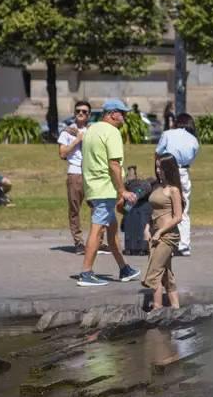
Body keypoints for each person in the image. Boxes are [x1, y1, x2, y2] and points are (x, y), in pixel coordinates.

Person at [76, 99, 141, 287]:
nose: (125, 116)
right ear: (113, 113)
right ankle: (86, 273)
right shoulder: (112, 132)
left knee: (111, 230)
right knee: (98, 229)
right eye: (123, 113)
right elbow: (114, 164)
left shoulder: (91, 130)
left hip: (94, 187)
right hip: (105, 188)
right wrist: (123, 191)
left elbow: (85, 161)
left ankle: (124, 268)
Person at [143, 154, 185, 310]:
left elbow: (178, 217)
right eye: (157, 167)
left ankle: (157, 307)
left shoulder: (174, 190)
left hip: (168, 236)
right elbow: (152, 212)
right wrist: (148, 228)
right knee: (166, 273)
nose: (158, 170)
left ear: (169, 168)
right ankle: (175, 306)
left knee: (154, 271)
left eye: (161, 167)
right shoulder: (157, 187)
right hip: (155, 234)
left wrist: (160, 231)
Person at [155, 113, 199, 256]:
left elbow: (158, 152)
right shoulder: (193, 139)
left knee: (169, 208)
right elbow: (192, 157)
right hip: (183, 171)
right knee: (183, 208)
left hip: (168, 170)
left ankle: (169, 242)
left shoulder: (167, 134)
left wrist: (157, 170)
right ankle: (184, 245)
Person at [59, 101, 92, 253]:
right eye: (78, 111)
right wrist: (77, 140)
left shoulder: (93, 130)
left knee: (98, 208)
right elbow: (62, 153)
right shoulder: (67, 132)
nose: (81, 113)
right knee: (74, 209)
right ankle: (79, 242)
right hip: (75, 173)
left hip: (92, 173)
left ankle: (97, 240)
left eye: (84, 111)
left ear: (89, 115)